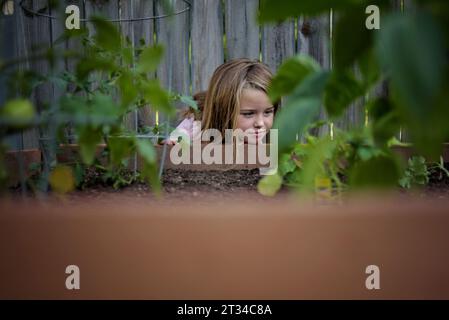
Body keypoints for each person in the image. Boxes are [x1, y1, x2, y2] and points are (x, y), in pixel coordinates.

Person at [164, 58, 278, 145]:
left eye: (268, 112)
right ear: (223, 110)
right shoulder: (198, 128)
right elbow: (179, 137)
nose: (260, 123)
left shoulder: (272, 140)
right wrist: (176, 141)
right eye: (248, 114)